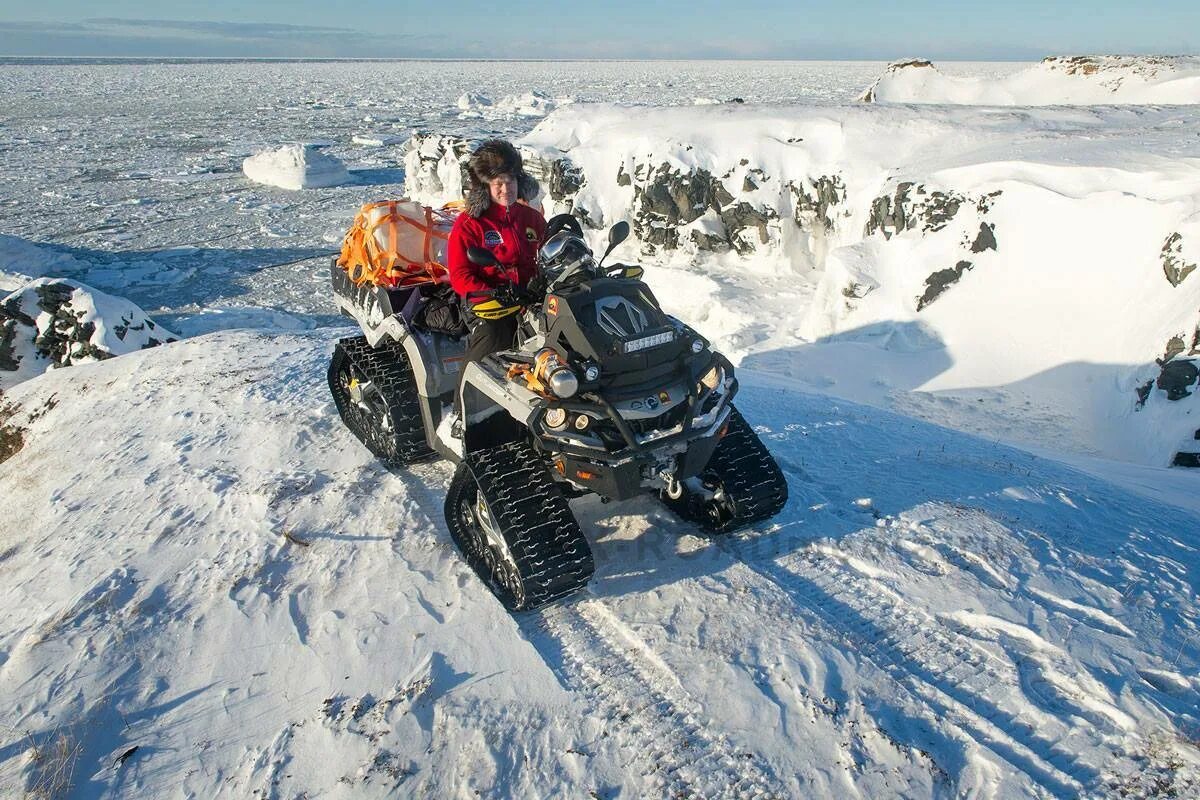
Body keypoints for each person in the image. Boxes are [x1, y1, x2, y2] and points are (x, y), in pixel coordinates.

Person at [446, 139, 546, 418]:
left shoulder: (531, 218)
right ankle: (462, 413)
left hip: (529, 295)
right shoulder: (470, 224)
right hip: (487, 300)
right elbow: (460, 274)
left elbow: (548, 251)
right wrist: (493, 291)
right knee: (494, 336)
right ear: (485, 187)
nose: (506, 188)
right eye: (498, 182)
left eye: (511, 180)